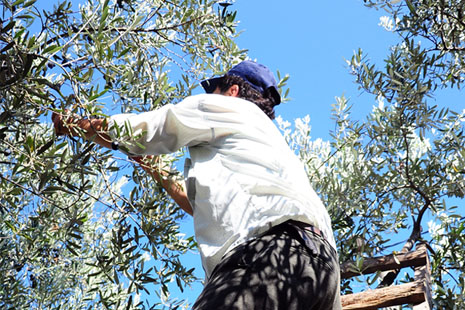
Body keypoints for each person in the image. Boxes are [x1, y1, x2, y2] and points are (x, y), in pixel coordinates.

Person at [52, 60, 342, 309]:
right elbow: (208, 205)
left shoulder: (226, 107)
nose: (209, 95)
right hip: (324, 272)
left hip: (269, 254)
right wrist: (157, 169)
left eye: (214, 89)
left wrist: (79, 125)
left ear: (232, 90)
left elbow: (149, 128)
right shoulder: (270, 147)